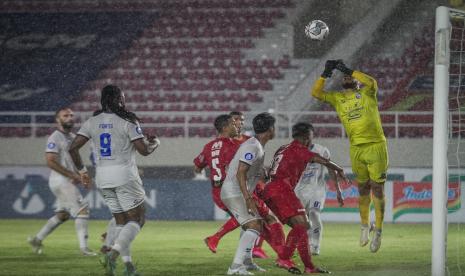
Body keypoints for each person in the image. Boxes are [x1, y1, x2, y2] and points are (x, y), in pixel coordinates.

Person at [68, 85, 160, 276]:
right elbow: (143, 151)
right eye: (123, 98)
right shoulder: (128, 119)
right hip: (124, 175)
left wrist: (83, 172)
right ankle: (113, 255)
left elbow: (73, 148)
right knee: (137, 220)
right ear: (120, 99)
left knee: (121, 223)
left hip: (102, 176)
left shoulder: (92, 121)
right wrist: (155, 143)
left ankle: (128, 267)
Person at [311, 60, 388, 253]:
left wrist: (349, 70)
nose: (347, 77)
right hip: (356, 148)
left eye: (350, 76)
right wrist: (325, 73)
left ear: (357, 81)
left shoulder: (367, 92)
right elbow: (316, 93)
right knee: (362, 187)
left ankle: (378, 230)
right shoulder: (337, 98)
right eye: (344, 76)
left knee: (377, 188)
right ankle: (365, 225)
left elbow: (371, 82)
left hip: (375, 146)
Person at [263, 122, 350, 274]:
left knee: (301, 228)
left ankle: (309, 267)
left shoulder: (283, 148)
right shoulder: (300, 149)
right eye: (310, 137)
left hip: (271, 189)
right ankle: (283, 257)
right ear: (304, 137)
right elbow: (323, 160)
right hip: (282, 190)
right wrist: (340, 169)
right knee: (303, 225)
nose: (311, 140)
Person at [28, 107, 96, 256]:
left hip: (66, 180)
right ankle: (84, 249)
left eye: (72, 115)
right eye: (66, 116)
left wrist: (80, 174)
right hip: (60, 180)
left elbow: (73, 160)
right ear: (57, 120)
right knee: (82, 210)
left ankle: (37, 239)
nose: (70, 118)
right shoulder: (55, 137)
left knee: (63, 215)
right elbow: (51, 161)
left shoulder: (72, 136)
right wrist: (72, 175)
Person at [220, 112, 275, 275]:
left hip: (237, 191)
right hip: (234, 192)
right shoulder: (253, 146)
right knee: (255, 225)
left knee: (251, 225)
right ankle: (235, 268)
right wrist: (248, 198)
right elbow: (241, 172)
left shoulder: (257, 145)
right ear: (270, 129)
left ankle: (247, 261)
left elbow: (249, 170)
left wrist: (265, 173)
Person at [294, 123, 344, 256]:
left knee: (314, 214)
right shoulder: (292, 151)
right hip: (299, 191)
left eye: (309, 136)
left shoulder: (322, 150)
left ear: (312, 135)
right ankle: (301, 245)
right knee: (300, 220)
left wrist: (338, 190)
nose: (308, 139)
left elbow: (331, 170)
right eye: (305, 136)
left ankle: (315, 246)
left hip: (317, 189)